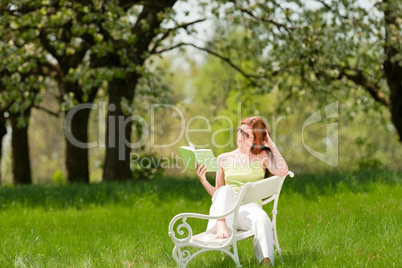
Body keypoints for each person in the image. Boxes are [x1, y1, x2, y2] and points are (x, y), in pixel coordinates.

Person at [194, 116, 288, 266]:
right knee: (225, 191)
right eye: (240, 131)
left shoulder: (262, 157)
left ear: (256, 139)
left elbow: (283, 171)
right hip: (226, 213)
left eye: (246, 135)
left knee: (262, 218)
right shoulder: (223, 158)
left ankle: (266, 263)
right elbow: (218, 195)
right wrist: (203, 180)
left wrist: (271, 144)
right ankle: (220, 224)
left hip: (249, 211)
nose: (240, 136)